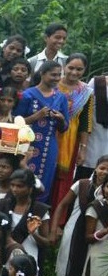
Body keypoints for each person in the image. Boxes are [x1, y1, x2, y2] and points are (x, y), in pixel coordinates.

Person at [52, 155, 108, 276]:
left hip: (94, 239)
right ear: (96, 168)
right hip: (74, 233)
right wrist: (54, 229)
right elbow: (63, 204)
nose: (104, 172)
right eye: (102, 167)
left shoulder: (105, 192)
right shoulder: (82, 184)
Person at [17, 60, 69, 204]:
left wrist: (60, 119)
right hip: (27, 145)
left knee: (44, 181)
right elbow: (16, 121)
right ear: (42, 74)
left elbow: (64, 128)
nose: (57, 78)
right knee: (24, 178)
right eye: (53, 75)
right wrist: (36, 117)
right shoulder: (28, 95)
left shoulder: (61, 97)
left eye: (59, 75)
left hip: (48, 146)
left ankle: (37, 216)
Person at [50, 54, 93, 208]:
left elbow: (85, 123)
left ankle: (57, 217)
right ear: (64, 67)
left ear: (84, 70)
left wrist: (83, 149)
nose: (74, 72)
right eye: (71, 68)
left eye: (79, 69)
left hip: (70, 140)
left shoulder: (86, 92)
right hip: (50, 134)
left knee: (63, 180)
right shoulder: (53, 85)